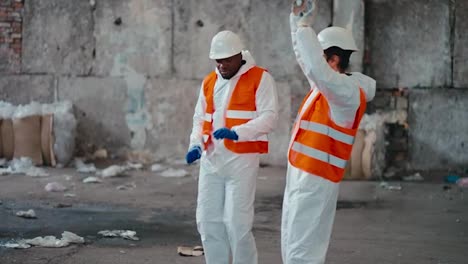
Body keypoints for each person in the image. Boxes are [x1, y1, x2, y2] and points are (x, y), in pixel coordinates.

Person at [281, 1, 376, 263]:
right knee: (292, 242)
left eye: (322, 56)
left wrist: (304, 27)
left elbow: (316, 69)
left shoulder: (345, 93)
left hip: (316, 179)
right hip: (302, 172)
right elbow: (306, 60)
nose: (316, 64)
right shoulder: (328, 86)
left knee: (303, 250)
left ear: (333, 60)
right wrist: (296, 22)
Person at [186, 30, 279, 264]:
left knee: (237, 224)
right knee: (208, 222)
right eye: (218, 60)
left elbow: (269, 117)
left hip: (241, 161)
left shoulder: (260, 78)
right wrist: (195, 144)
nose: (222, 65)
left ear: (240, 56)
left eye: (227, 59)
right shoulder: (209, 81)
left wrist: (237, 132)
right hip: (211, 160)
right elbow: (199, 118)